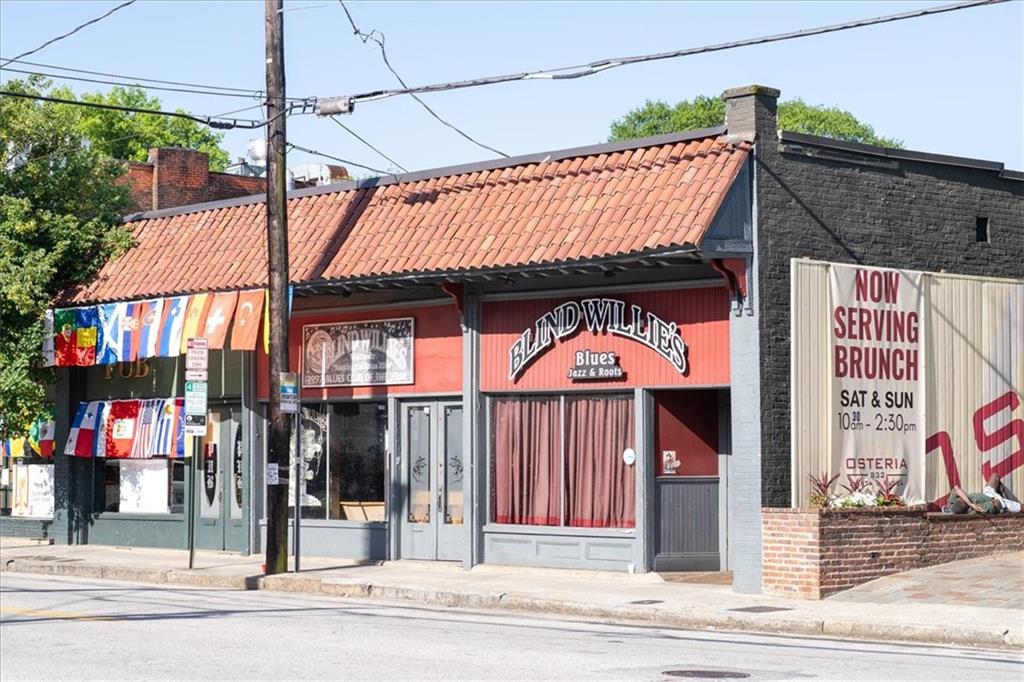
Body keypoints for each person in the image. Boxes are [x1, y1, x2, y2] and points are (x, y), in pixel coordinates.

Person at [946, 474, 1021, 514]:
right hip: (997, 501)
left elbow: (956, 489)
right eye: (964, 501)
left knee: (995, 476)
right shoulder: (979, 507)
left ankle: (1006, 497)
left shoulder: (952, 504)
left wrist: (969, 503)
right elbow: (996, 504)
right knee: (1021, 507)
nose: (962, 498)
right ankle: (1009, 502)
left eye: (961, 498)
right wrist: (975, 507)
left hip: (987, 493)